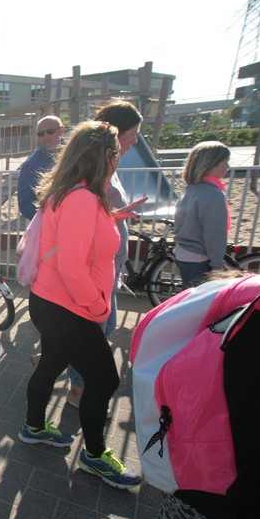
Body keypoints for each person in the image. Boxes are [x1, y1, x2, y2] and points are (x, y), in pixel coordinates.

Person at [17, 120, 142, 489]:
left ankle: (34, 428)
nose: (118, 159)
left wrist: (112, 217)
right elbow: (73, 268)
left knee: (51, 364)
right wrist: (99, 307)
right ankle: (94, 456)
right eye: (116, 153)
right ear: (103, 155)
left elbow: (73, 237)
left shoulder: (73, 191)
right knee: (105, 378)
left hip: (52, 301)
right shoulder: (83, 198)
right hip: (68, 306)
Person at [63, 101, 145, 407]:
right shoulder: (86, 187)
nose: (135, 140)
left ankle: (56, 360)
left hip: (107, 271)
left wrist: (114, 216)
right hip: (95, 277)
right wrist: (94, 300)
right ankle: (78, 390)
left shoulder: (102, 176)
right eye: (133, 133)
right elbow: (73, 261)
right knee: (95, 334)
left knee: (104, 329)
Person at [174, 141, 232, 288]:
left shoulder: (192, 189)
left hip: (184, 252)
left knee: (189, 292)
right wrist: (217, 262)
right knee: (199, 296)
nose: (228, 167)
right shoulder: (213, 194)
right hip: (200, 256)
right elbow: (214, 232)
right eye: (225, 163)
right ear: (210, 165)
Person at [16, 116, 65, 221]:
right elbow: (25, 204)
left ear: (61, 130)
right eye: (41, 134)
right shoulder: (31, 166)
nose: (45, 137)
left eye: (50, 131)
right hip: (50, 224)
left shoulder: (76, 154)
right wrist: (49, 220)